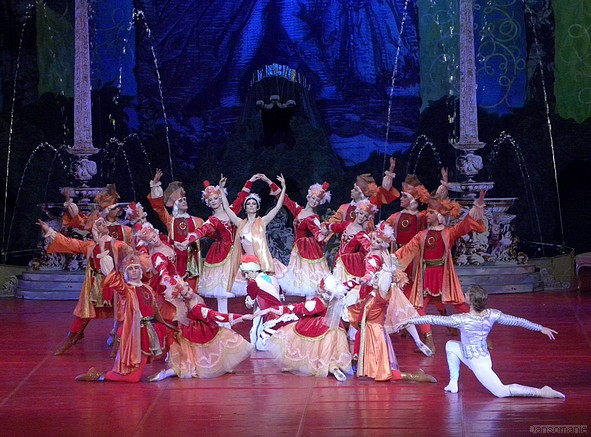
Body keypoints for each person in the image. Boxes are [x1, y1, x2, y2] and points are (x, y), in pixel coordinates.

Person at [401, 285, 565, 398]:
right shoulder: (492, 314)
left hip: (477, 362)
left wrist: (409, 320)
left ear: (471, 301)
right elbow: (518, 321)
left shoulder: (461, 319)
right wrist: (540, 328)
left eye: (466, 294)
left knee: (500, 391)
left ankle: (541, 392)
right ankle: (453, 383)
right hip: (477, 355)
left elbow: (432, 318)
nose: (463, 295)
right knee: (450, 345)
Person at [395, 190, 488, 353]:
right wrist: (388, 261)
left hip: (443, 276)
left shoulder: (448, 233)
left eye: (430, 213)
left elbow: (466, 224)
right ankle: (429, 340)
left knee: (460, 305)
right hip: (426, 277)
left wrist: (478, 206)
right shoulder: (421, 235)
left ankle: (481, 335)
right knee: (417, 307)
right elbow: (405, 251)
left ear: (439, 216)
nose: (427, 216)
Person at [347, 225, 436, 383]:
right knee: (399, 315)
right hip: (381, 289)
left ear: (383, 243)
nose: (373, 241)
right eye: (373, 238)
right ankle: (416, 341)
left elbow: (371, 272)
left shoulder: (374, 258)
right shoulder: (381, 253)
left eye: (377, 240)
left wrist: (364, 279)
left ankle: (362, 359)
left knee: (375, 320)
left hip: (377, 289)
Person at [37, 218, 133, 355]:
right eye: (99, 224)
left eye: (104, 223)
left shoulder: (119, 245)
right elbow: (69, 243)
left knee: (123, 312)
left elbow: (132, 257)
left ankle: (119, 344)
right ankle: (72, 338)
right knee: (84, 313)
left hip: (115, 283)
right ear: (95, 229)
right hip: (96, 285)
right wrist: (50, 231)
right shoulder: (90, 245)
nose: (103, 224)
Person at [74, 254, 171, 383]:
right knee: (133, 378)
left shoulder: (147, 288)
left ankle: (105, 374)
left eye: (136, 268)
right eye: (130, 269)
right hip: (135, 333)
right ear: (126, 273)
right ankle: (99, 375)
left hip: (149, 332)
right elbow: (114, 282)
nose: (135, 270)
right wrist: (111, 261)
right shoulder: (126, 290)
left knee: (134, 377)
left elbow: (156, 309)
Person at [147, 284, 254, 381]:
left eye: (189, 289)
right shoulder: (195, 308)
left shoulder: (194, 300)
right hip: (197, 333)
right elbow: (216, 315)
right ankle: (164, 374)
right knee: (192, 363)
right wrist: (241, 317)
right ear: (183, 298)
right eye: (186, 294)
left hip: (198, 331)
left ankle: (165, 374)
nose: (190, 293)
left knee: (198, 359)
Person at [255, 275, 352, 382]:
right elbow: (347, 286)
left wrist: (270, 309)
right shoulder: (336, 297)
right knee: (330, 350)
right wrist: (359, 281)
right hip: (336, 328)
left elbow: (296, 307)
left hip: (319, 327)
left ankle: (317, 366)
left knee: (303, 342)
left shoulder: (318, 302)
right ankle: (334, 367)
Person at [190, 175, 261, 314]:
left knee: (250, 280)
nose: (214, 201)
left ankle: (254, 313)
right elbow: (203, 229)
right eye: (210, 200)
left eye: (216, 198)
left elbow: (242, 198)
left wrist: (250, 181)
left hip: (238, 251)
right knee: (221, 289)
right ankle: (224, 320)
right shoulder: (213, 220)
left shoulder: (231, 211)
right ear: (208, 203)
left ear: (221, 197)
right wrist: (190, 237)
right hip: (221, 254)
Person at [220, 174, 287, 296]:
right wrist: (221, 190)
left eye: (254, 203)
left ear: (257, 207)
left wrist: (282, 188)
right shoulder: (240, 223)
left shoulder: (263, 221)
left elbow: (278, 207)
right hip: (248, 263)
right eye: (249, 203)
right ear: (245, 207)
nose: (251, 205)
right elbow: (226, 208)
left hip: (262, 262)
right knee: (252, 292)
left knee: (266, 291)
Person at [147, 169, 204, 291]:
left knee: (192, 288)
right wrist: (155, 184)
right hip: (175, 258)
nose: (184, 201)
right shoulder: (170, 220)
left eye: (185, 200)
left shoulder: (197, 220)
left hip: (192, 258)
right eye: (181, 200)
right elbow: (158, 207)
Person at [277, 181, 332, 298]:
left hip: (308, 250)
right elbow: (286, 201)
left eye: (317, 200)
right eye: (313, 198)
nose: (314, 201)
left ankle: (310, 304)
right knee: (298, 279)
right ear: (308, 197)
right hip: (298, 249)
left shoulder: (313, 217)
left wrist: (323, 232)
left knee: (309, 278)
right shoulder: (299, 210)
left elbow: (318, 235)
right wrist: (274, 184)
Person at [240, 254, 298, 350]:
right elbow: (278, 297)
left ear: (253, 270)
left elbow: (249, 305)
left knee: (260, 345)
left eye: (247, 273)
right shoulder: (273, 278)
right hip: (281, 312)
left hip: (270, 316)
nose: (246, 276)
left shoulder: (254, 283)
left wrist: (250, 301)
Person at [325, 157, 399, 232]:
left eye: (355, 189)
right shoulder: (344, 207)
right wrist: (326, 226)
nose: (352, 191)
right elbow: (334, 221)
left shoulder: (370, 205)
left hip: (364, 240)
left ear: (361, 193)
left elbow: (384, 191)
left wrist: (391, 170)